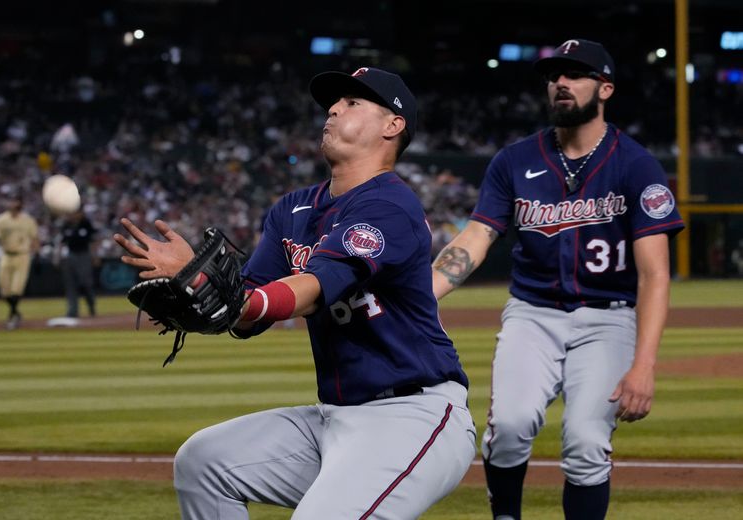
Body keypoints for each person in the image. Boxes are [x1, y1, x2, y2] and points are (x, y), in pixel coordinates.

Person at [115, 67, 476, 519]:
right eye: (334, 102)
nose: (333, 108)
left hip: (413, 415)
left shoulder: (390, 205)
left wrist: (240, 300)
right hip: (335, 418)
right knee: (204, 462)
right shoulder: (293, 209)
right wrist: (204, 288)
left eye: (352, 102)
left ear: (393, 125)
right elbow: (247, 304)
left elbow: (316, 286)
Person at [432, 39, 685, 520]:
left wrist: (644, 365)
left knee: (587, 442)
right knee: (507, 428)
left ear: (605, 88)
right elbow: (477, 236)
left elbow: (655, 275)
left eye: (575, 74)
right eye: (554, 76)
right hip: (533, 314)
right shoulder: (514, 160)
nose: (561, 83)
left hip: (608, 319)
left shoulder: (636, 165)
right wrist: (425, 294)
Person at [0, 195, 39, 330]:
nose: (13, 204)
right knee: (4, 288)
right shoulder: (1, 219)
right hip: (6, 255)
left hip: (22, 255)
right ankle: (16, 312)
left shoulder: (28, 220)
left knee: (17, 288)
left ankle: (12, 316)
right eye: (12, 201)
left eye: (16, 201)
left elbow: (34, 238)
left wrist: (37, 254)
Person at [57, 209, 98, 318]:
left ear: (80, 213)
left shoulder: (86, 223)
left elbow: (93, 240)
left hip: (84, 255)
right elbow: (61, 242)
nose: (72, 215)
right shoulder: (66, 225)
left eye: (75, 213)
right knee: (70, 284)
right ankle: (72, 311)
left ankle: (91, 305)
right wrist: (58, 256)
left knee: (85, 283)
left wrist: (95, 256)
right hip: (71, 255)